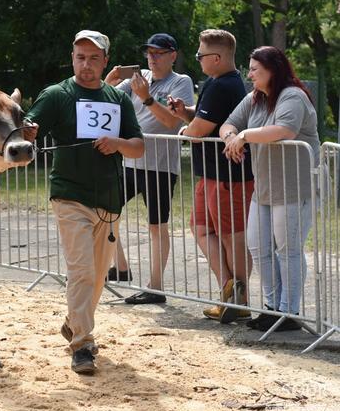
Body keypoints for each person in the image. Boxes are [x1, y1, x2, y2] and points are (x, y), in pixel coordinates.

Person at [25, 30, 144, 374]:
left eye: (94, 58)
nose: (86, 65)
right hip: (69, 194)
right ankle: (82, 345)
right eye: (80, 57)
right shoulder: (57, 94)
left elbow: (138, 146)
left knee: (95, 277)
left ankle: (74, 322)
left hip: (108, 199)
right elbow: (30, 128)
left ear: (106, 61)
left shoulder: (118, 99)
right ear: (72, 57)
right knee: (81, 270)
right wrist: (28, 130)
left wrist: (118, 143)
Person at [221, 46, 320, 332]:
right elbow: (228, 123)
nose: (249, 74)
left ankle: (289, 311)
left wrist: (245, 135)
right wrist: (231, 137)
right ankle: (271, 307)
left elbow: (285, 130)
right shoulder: (255, 98)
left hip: (294, 187)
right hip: (265, 187)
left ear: (272, 70)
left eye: (254, 69)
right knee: (258, 246)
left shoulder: (293, 95)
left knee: (287, 250)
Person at [168, 29, 254, 323]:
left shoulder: (222, 85)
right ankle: (228, 291)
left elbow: (200, 131)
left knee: (233, 237)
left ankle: (240, 300)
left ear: (216, 58)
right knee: (201, 228)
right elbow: (205, 119)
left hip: (229, 176)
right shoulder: (217, 83)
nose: (198, 59)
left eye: (201, 55)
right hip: (212, 174)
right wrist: (186, 112)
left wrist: (184, 130)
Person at [104, 33, 194, 303]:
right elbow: (108, 99)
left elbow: (171, 122)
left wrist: (146, 98)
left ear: (172, 56)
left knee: (157, 225)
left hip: (159, 166)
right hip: (130, 160)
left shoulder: (181, 82)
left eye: (159, 53)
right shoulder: (139, 78)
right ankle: (120, 267)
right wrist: (108, 82)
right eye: (149, 53)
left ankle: (156, 287)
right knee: (104, 210)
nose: (152, 58)